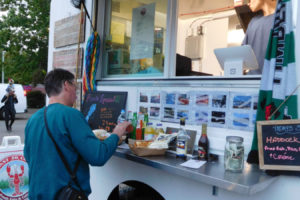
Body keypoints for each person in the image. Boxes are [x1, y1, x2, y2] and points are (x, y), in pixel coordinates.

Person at [23, 68, 131, 199]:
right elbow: (98, 156)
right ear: (66, 85)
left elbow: (29, 157)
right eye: (75, 86)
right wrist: (117, 133)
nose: (76, 92)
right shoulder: (71, 115)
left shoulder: (33, 119)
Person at [242, 0, 277, 74]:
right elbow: (242, 55)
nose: (248, 3)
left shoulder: (282, 20)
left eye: (250, 0)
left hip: (273, 79)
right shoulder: (253, 22)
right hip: (252, 80)